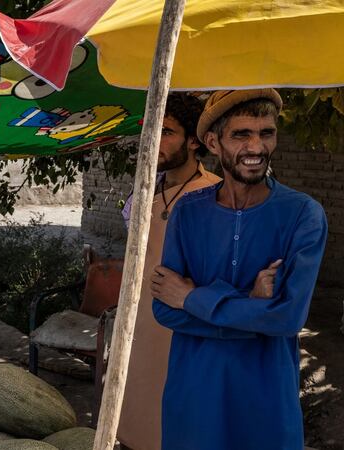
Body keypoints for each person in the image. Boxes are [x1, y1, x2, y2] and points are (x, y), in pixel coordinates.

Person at [151, 89, 327, 449]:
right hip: (194, 398)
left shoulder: (303, 215)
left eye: (266, 133)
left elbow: (287, 319)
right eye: (241, 134)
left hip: (265, 403)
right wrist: (249, 303)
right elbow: (164, 308)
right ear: (213, 143)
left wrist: (191, 297)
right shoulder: (188, 212)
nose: (257, 147)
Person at [117, 93, 221, 450]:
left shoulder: (213, 196)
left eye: (166, 131)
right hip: (138, 325)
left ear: (194, 141)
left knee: (177, 425)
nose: (154, 142)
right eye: (150, 131)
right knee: (132, 419)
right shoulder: (146, 190)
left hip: (183, 329)